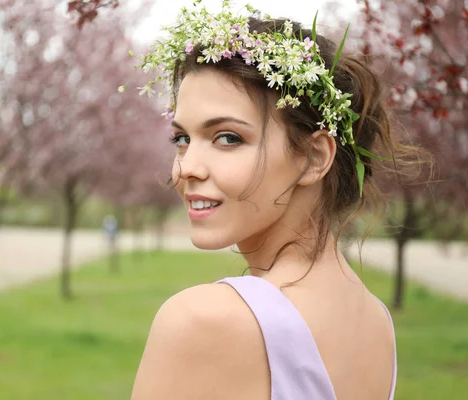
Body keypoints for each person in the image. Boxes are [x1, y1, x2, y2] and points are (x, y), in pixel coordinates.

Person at [128, 1, 412, 398]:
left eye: (228, 138)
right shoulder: (376, 320)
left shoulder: (204, 321)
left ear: (314, 158)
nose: (185, 168)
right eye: (181, 139)